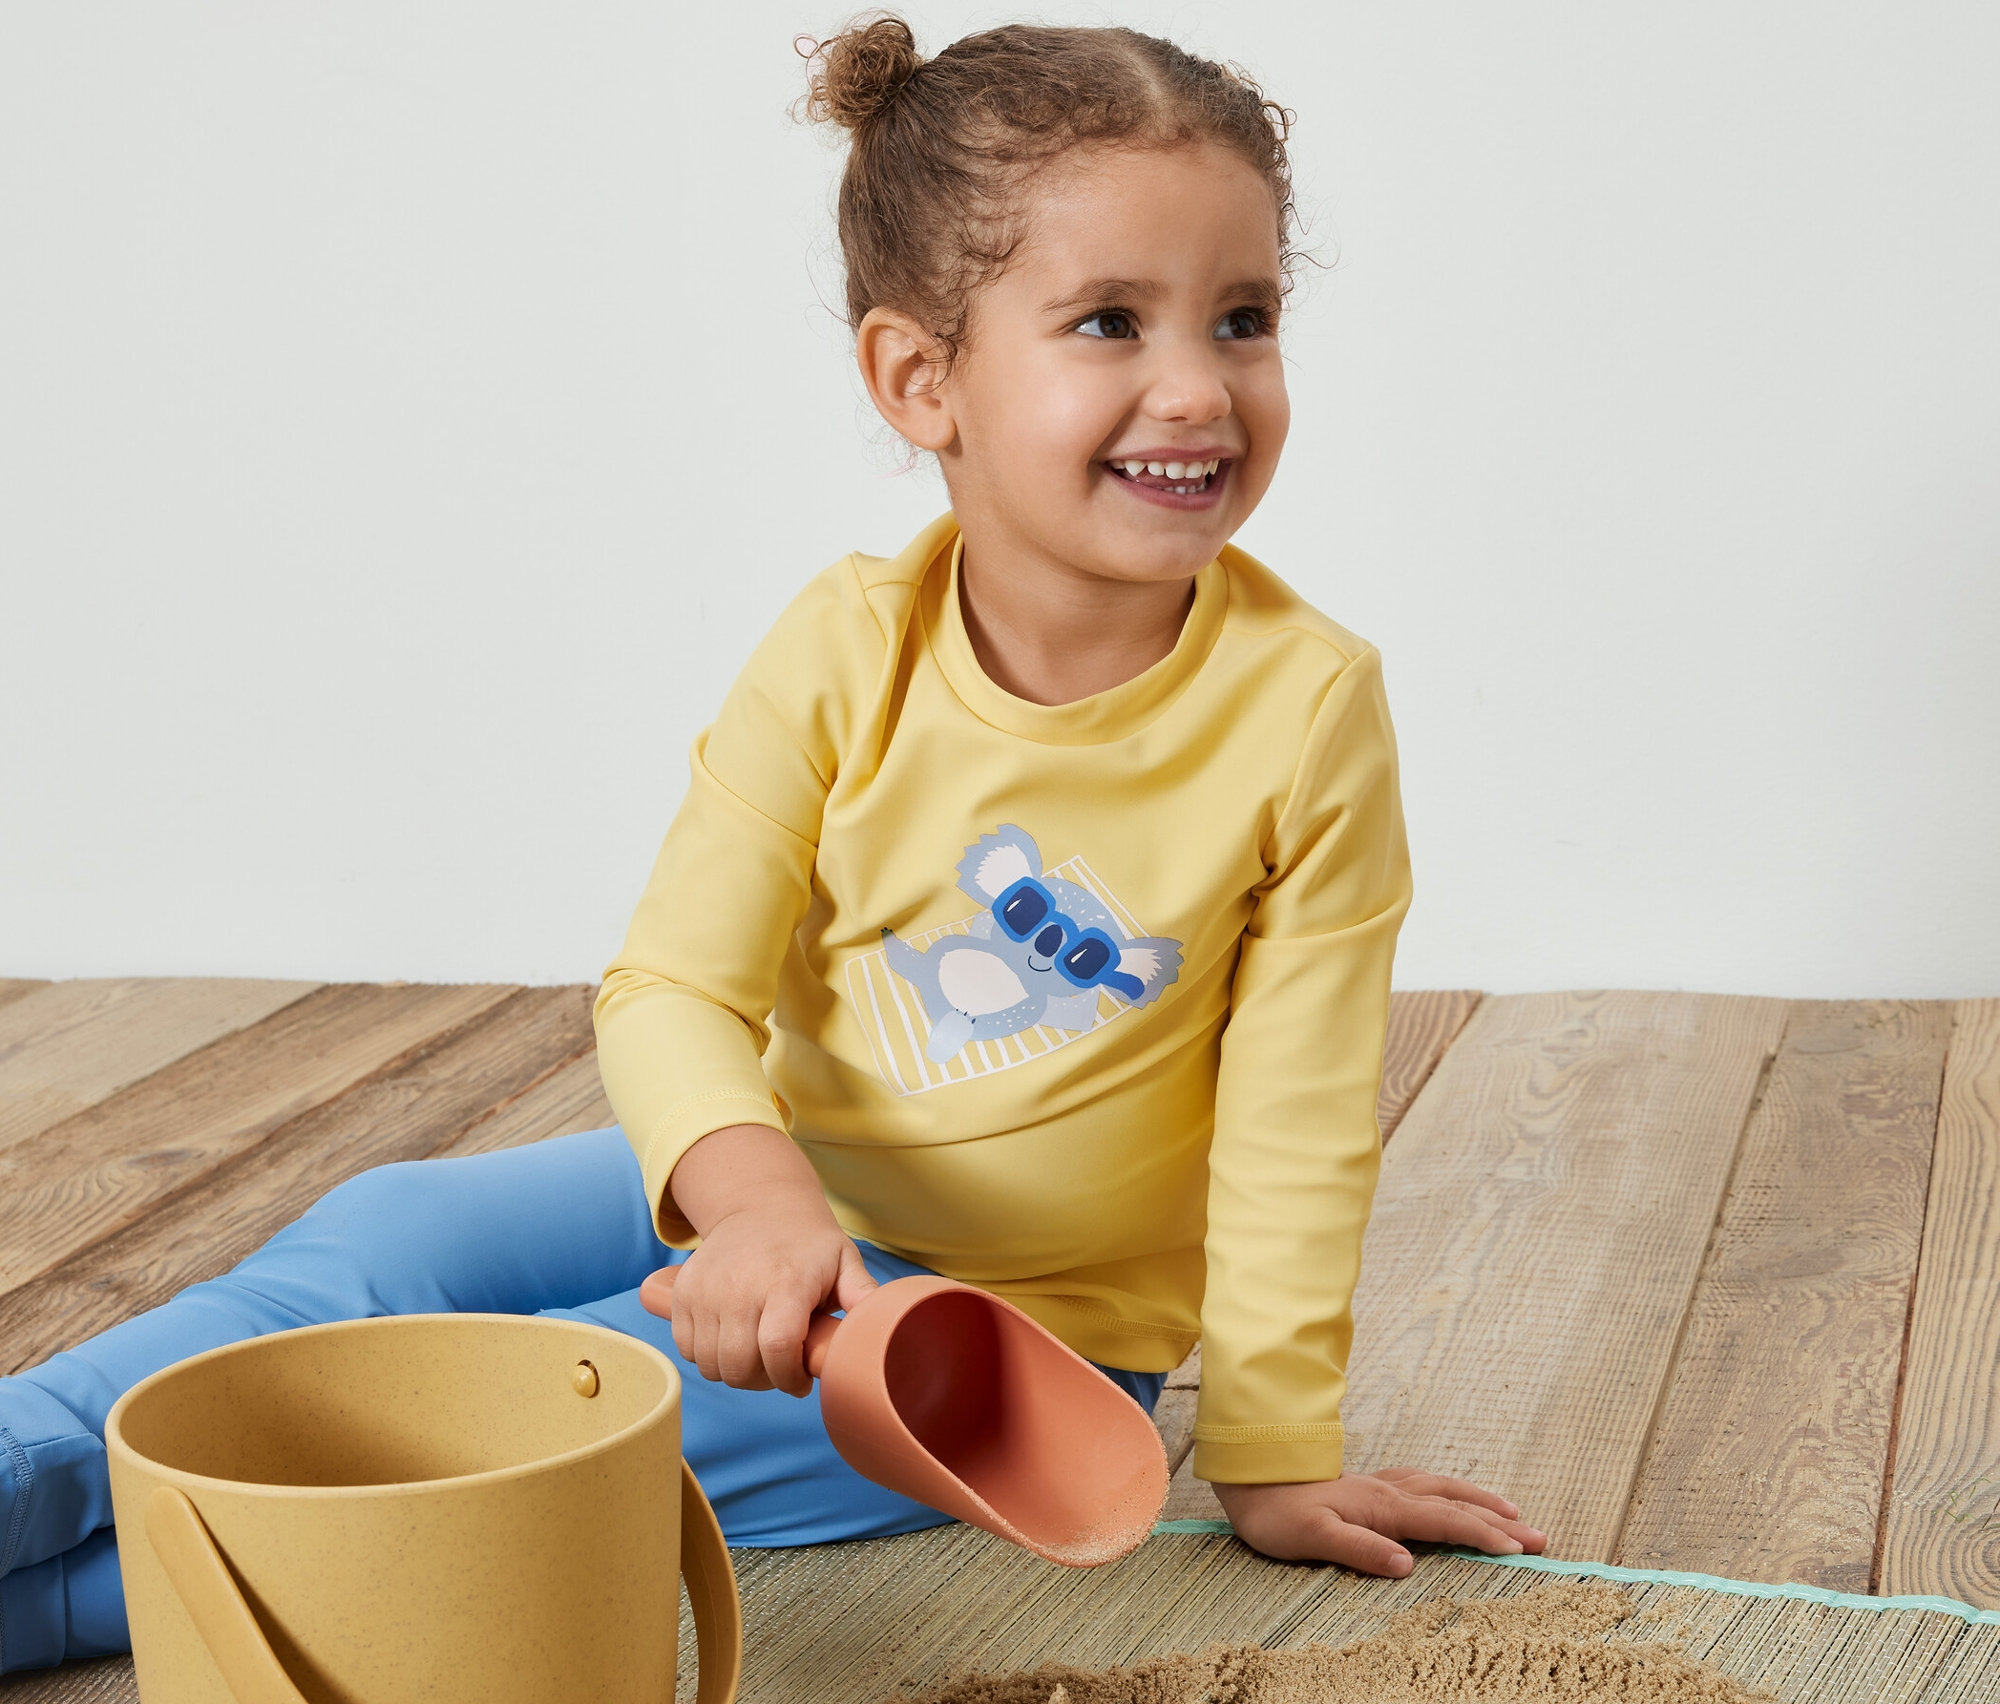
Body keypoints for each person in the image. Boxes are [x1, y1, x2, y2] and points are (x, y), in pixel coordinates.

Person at [0, 17, 1544, 1673]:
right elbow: (672, 985)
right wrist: (754, 1207)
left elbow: (1299, 1123)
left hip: (1000, 1342)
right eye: (1111, 321)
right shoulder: (843, 648)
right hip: (783, 1192)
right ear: (918, 377)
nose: (1198, 385)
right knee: (386, 1238)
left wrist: (1273, 1448)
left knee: (520, 1430)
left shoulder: (1307, 710)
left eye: (1245, 319)